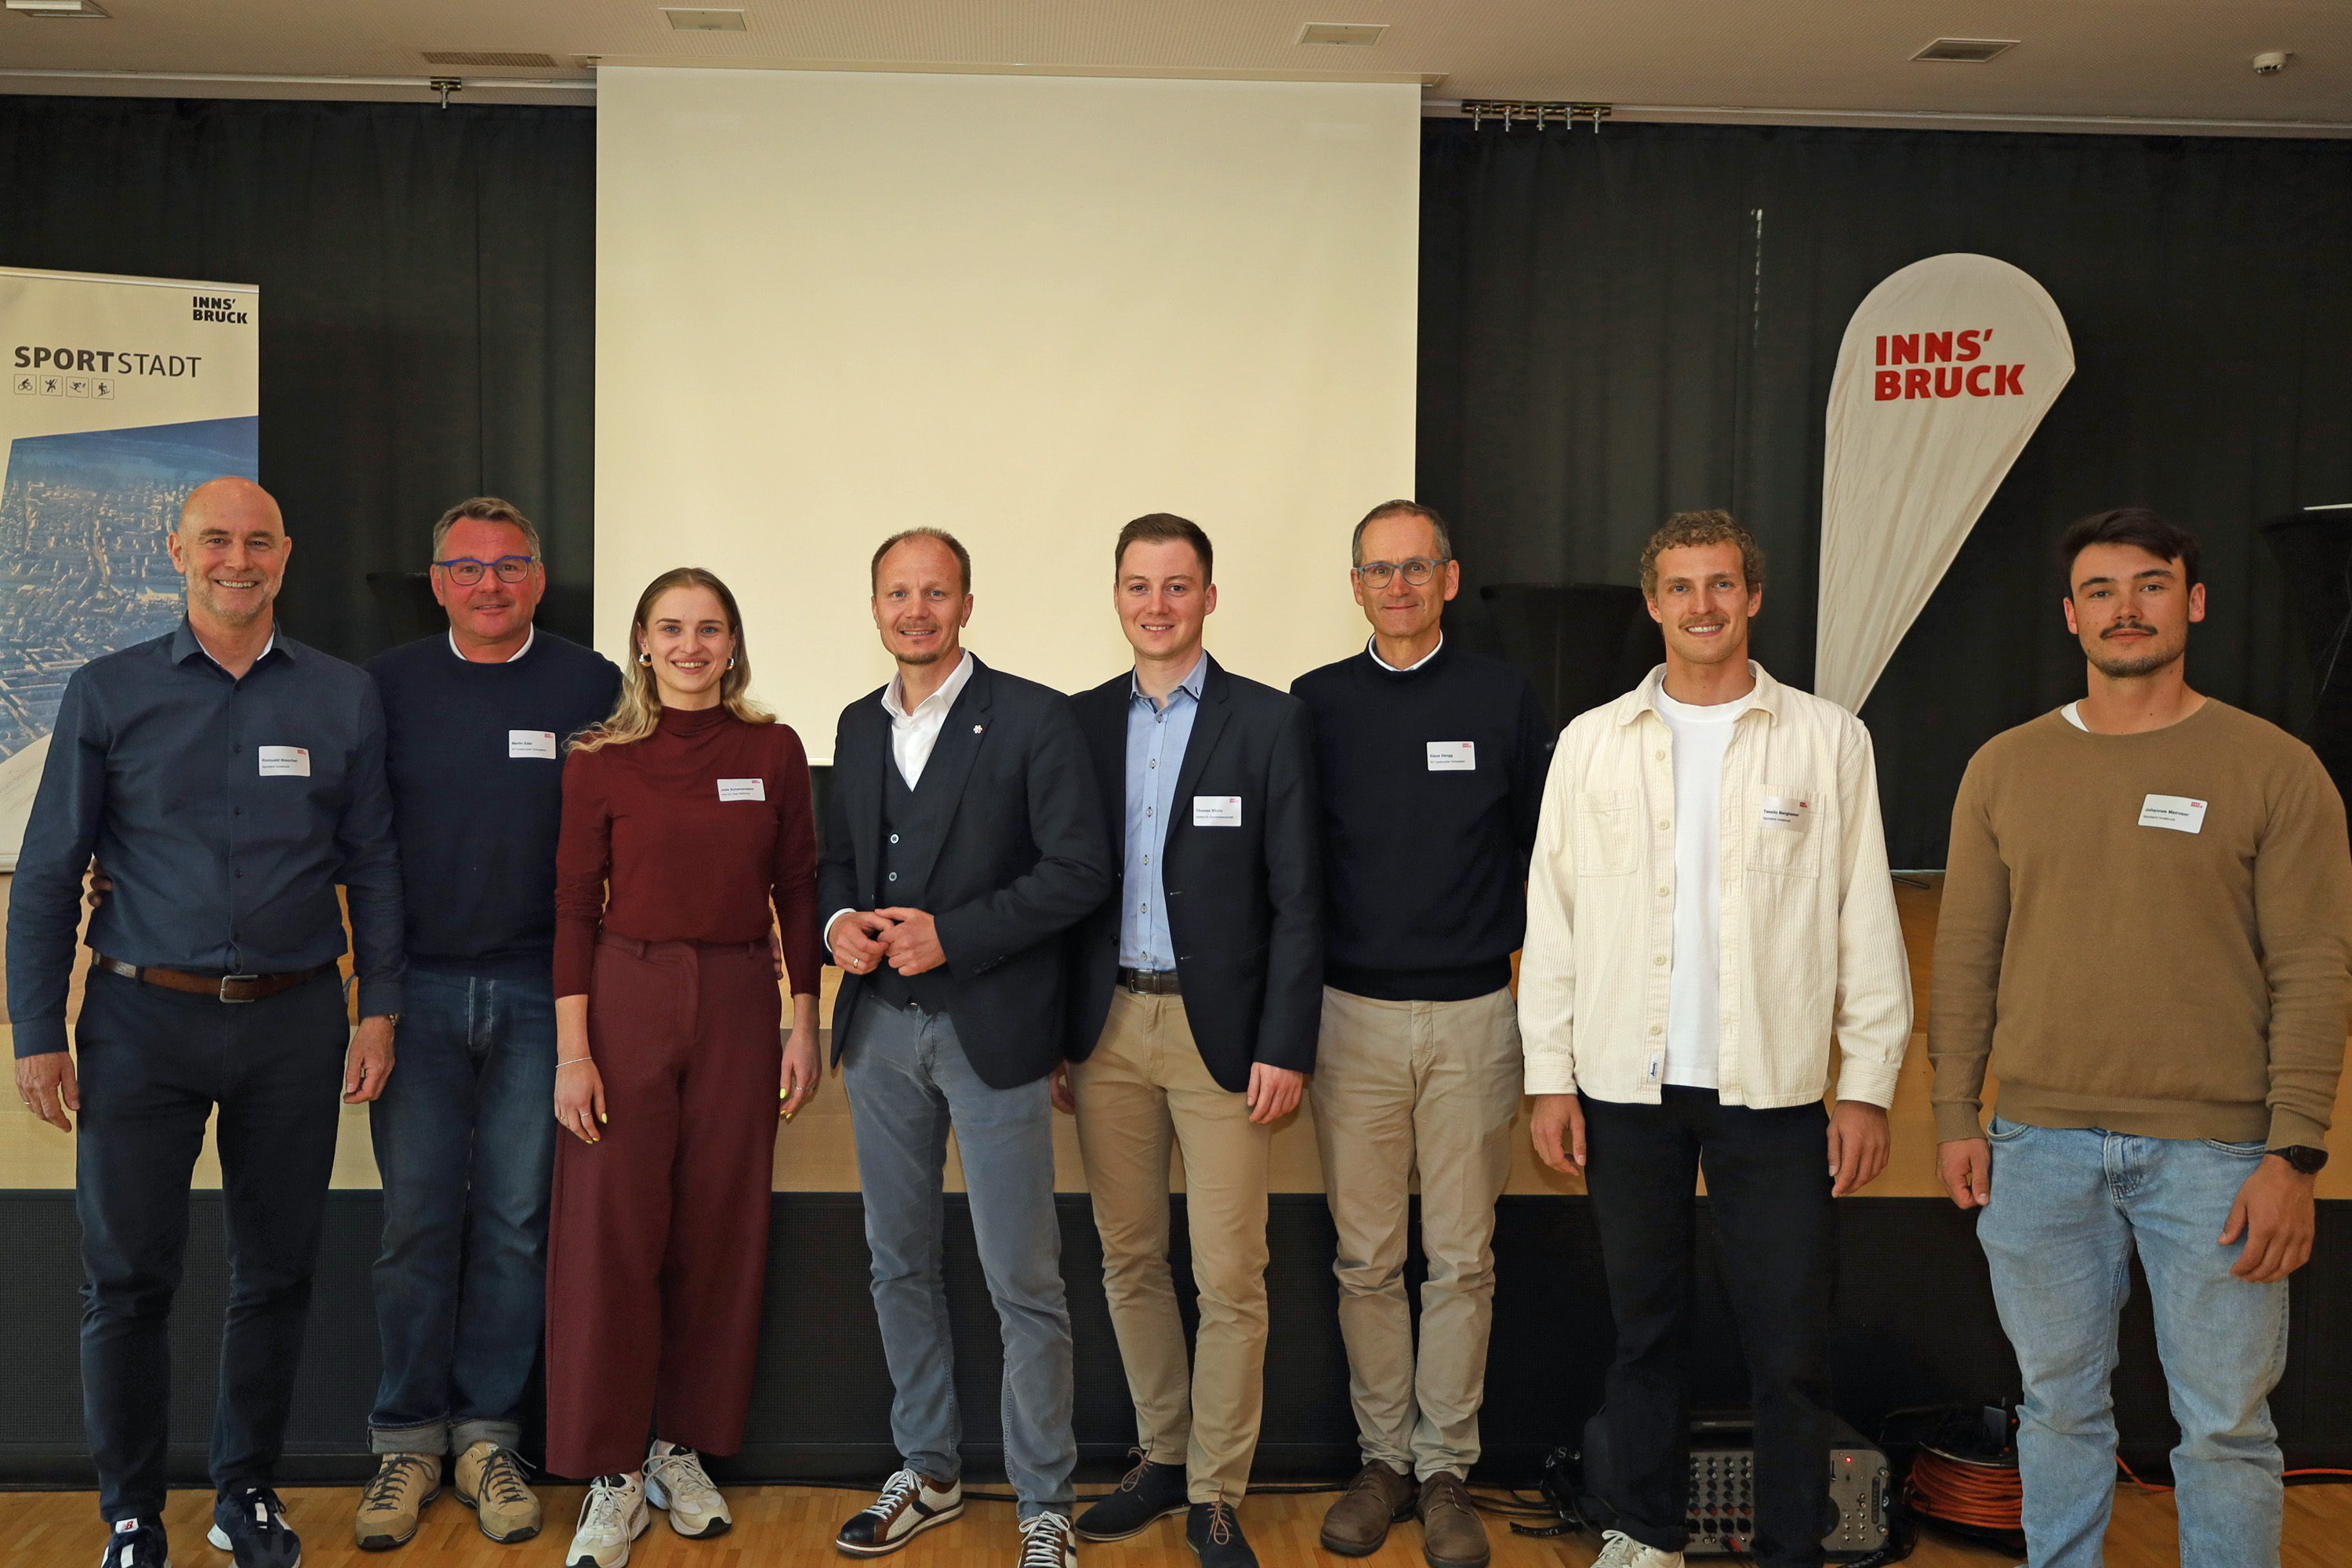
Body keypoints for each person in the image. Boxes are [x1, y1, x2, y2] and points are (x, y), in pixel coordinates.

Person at [1929, 508, 2352, 1568]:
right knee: (2056, 1413)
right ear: (2072, 617)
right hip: (2036, 1149)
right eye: (2103, 591)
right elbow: (1968, 963)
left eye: (2151, 585)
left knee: (2225, 1431)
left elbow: (2313, 971)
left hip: (2218, 1161)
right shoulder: (2004, 768)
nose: (2128, 608)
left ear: (2193, 602)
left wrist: (2294, 1154)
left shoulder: (2277, 768)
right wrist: (1953, 1114)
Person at [8, 477, 404, 1568]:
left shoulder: (342, 697)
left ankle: (246, 1493)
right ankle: (132, 1513)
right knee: (128, 1277)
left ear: (287, 554)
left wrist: (381, 1012)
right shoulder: (106, 691)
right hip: (142, 1022)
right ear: (175, 550)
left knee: (277, 1270)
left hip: (296, 1022)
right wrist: (36, 1029)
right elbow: (48, 879)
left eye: (259, 542)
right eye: (217, 540)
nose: (239, 559)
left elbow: (372, 867)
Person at [1520, 511, 1911, 1568]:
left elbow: (1863, 920)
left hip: (1774, 1096)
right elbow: (1552, 923)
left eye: (1722, 584)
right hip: (1622, 1090)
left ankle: (1792, 1545)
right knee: (1645, 1335)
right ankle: (1643, 1536)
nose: (1703, 605)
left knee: (1790, 1349)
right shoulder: (1593, 745)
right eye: (1681, 587)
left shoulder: (1827, 740)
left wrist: (1867, 1084)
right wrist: (1547, 1079)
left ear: (1754, 597)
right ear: (1652, 604)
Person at [819, 528, 1111, 1568]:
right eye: (897, 594)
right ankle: (930, 1471)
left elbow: (1080, 870)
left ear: (966, 603)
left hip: (994, 1035)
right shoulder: (856, 726)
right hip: (878, 1039)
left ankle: (1043, 1502)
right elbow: (834, 863)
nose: (915, 611)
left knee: (1021, 1277)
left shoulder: (1034, 717)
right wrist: (835, 925)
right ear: (876, 606)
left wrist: (960, 933)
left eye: (933, 594)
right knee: (897, 1264)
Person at [354, 499, 622, 1550]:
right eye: (468, 569)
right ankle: (407, 1440)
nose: (490, 585)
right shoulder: (386, 687)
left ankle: (487, 1437)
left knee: (515, 1224)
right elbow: (361, 844)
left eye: (510, 567)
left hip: (538, 992)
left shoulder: (590, 685)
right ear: (437, 582)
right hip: (412, 993)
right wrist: (372, 999)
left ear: (540, 578)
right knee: (415, 1224)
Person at [543, 568, 823, 1568]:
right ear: (643, 641)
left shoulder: (774, 748)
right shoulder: (600, 760)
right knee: (615, 1231)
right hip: (626, 996)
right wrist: (574, 1053)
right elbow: (575, 906)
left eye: (711, 628)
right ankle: (611, 1471)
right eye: (674, 628)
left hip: (747, 997)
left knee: (719, 1228)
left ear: (734, 642)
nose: (693, 645)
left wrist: (805, 1020)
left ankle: (679, 1445)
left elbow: (797, 886)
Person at [1290, 501, 1550, 1568]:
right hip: (1346, 1020)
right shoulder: (1311, 706)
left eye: (1417, 567)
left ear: (1448, 578)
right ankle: (1382, 1460)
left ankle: (1446, 1469)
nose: (1397, 586)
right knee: (1365, 1258)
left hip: (1478, 1020)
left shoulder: (1502, 697)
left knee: (1462, 1259)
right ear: (1355, 587)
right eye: (1378, 570)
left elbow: (1548, 859)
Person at [1062, 514, 1322, 1568]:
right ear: (1116, 597)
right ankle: (1162, 1457)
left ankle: (1217, 1489)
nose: (1157, 605)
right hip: (1106, 1028)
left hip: (1226, 1038)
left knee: (1229, 1275)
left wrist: (1286, 1040)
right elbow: (1063, 894)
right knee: (1130, 1260)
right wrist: (1052, 1035)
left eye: (1178, 586)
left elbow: (1301, 899)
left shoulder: (1269, 721)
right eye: (1139, 586)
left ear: (1210, 598)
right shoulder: (1075, 724)